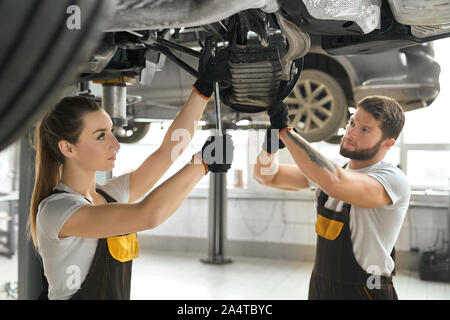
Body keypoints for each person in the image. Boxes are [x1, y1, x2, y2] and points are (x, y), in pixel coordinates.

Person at [28, 51, 234, 300]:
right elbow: (148, 215)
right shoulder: (57, 209)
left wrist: (203, 90)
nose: (116, 144)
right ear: (67, 148)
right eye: (101, 135)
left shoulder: (111, 194)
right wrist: (201, 164)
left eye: (111, 131)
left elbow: (168, 151)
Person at [254, 95, 410, 300]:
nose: (351, 132)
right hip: (321, 285)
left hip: (365, 290)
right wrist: (269, 146)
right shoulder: (331, 172)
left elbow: (335, 182)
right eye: (352, 122)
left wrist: (286, 132)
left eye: (365, 129)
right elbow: (267, 177)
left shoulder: (392, 179)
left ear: (388, 143)